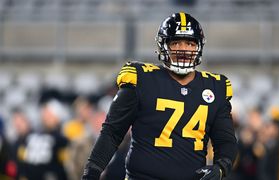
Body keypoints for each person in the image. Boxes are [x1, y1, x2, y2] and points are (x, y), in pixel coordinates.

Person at [82, 12, 238, 180]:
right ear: (164, 46)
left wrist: (221, 167)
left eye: (190, 43)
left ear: (199, 47)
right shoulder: (141, 79)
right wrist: (91, 173)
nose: (183, 49)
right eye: (176, 42)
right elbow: (112, 133)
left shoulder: (215, 87)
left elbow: (226, 141)